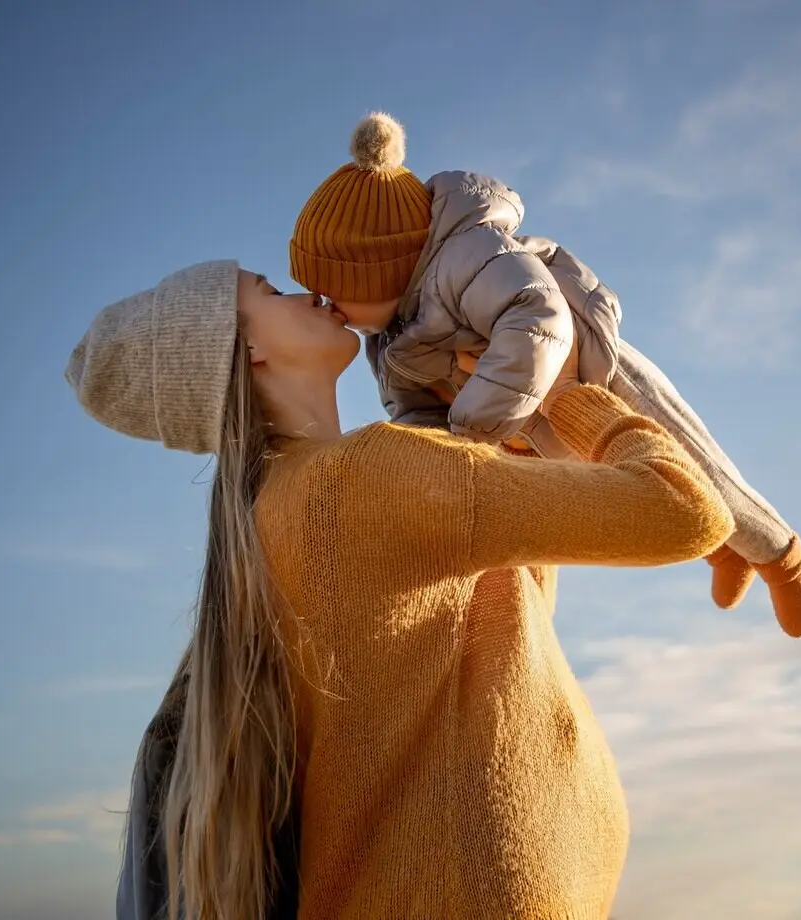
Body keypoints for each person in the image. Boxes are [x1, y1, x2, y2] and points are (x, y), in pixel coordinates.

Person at [65, 261, 735, 919]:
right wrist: (588, 409)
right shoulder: (366, 475)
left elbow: (501, 623)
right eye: (270, 291)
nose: (307, 291)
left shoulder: (277, 516)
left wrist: (516, 439)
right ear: (248, 349)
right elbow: (686, 513)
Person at [290, 112, 801, 640]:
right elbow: (413, 412)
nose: (326, 304)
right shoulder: (388, 339)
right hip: (526, 424)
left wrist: (472, 430)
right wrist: (440, 457)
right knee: (632, 491)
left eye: (335, 289)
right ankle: (723, 547)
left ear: (379, 270)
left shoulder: (466, 257)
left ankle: (782, 559)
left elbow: (537, 315)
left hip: (595, 378)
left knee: (696, 462)